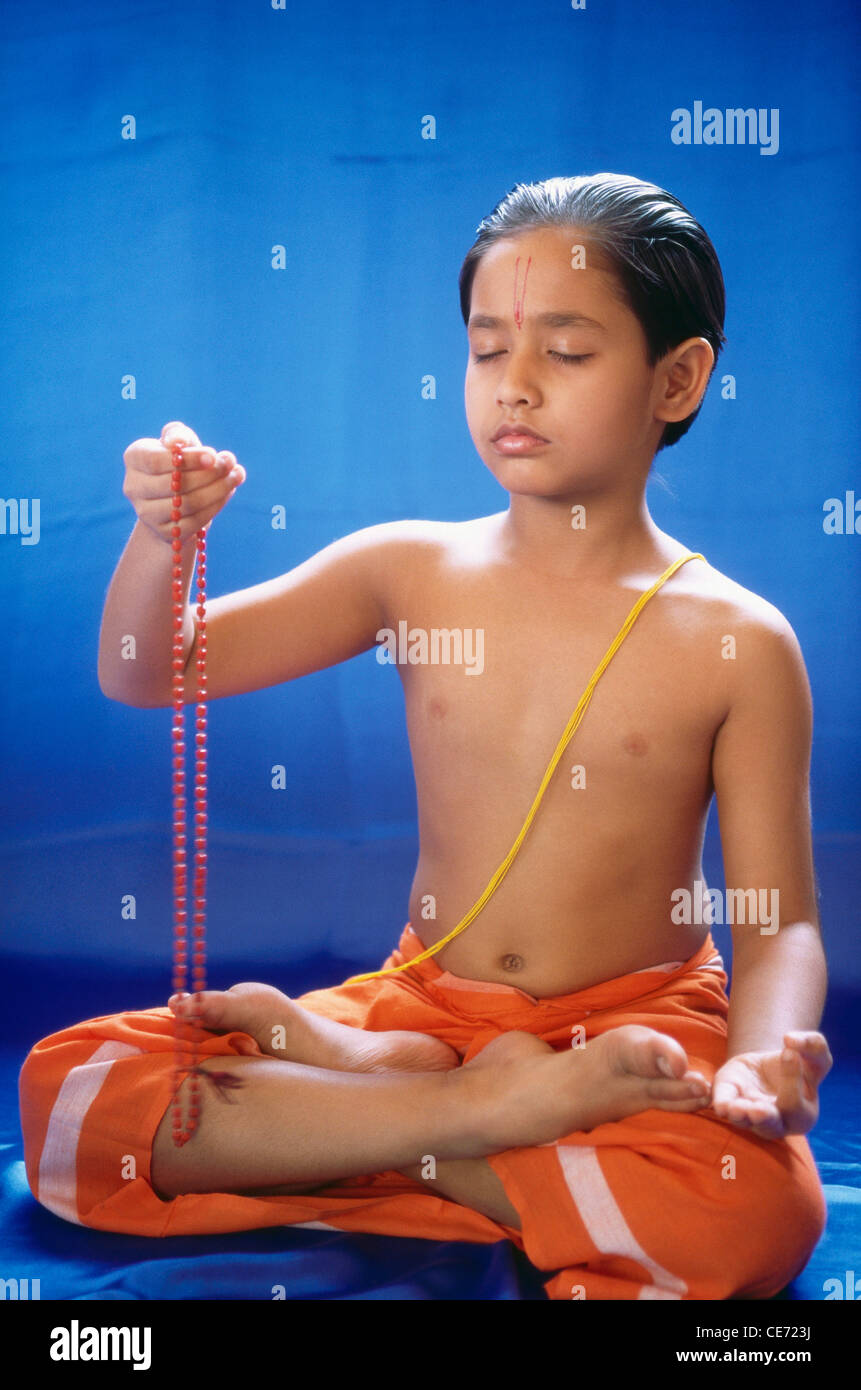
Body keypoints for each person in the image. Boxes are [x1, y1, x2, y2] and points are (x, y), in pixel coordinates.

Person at [19, 172, 831, 1300]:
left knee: (760, 1208)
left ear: (677, 378)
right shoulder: (410, 570)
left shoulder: (741, 639)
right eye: (490, 349)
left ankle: (370, 1122)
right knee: (72, 1092)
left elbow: (777, 920)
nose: (519, 386)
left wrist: (758, 1060)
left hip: (634, 1029)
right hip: (420, 1014)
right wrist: (162, 540)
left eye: (568, 350)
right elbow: (144, 670)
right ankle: (476, 1118)